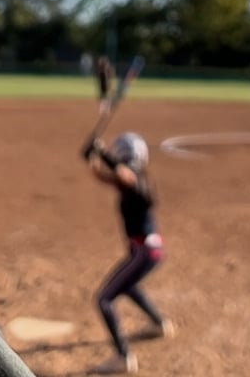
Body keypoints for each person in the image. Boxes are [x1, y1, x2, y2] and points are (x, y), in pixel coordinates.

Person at [82, 132, 173, 374]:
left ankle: (123, 357)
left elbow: (124, 175)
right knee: (128, 286)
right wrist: (92, 159)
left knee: (103, 300)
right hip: (148, 250)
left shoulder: (134, 179)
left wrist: (103, 152)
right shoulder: (135, 180)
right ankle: (159, 324)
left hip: (144, 252)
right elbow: (108, 177)